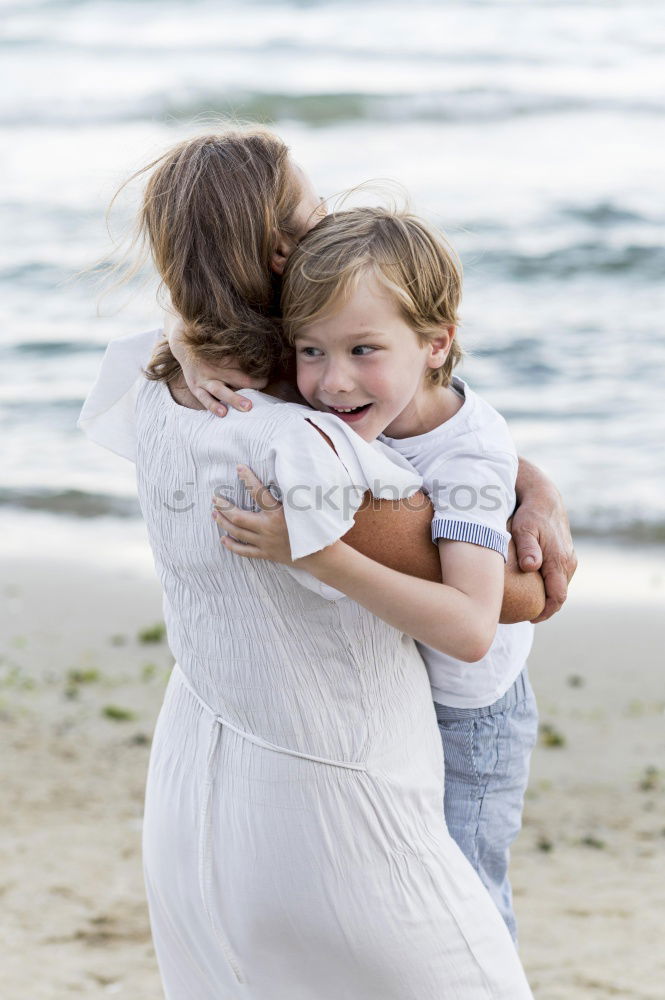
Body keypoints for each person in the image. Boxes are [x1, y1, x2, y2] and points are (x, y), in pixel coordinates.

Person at [78, 126, 569, 998]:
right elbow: (520, 599)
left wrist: (522, 483)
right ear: (275, 250)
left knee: (471, 888)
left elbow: (443, 438)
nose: (329, 221)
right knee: (465, 926)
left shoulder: (178, 386)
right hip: (369, 751)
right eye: (312, 215)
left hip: (413, 713)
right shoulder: (303, 433)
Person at [212, 206, 546, 941]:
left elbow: (467, 627)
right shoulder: (360, 398)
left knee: (458, 901)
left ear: (436, 343)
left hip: (468, 717)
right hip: (387, 695)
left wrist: (316, 551)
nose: (331, 382)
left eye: (363, 349)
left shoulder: (466, 459)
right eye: (309, 351)